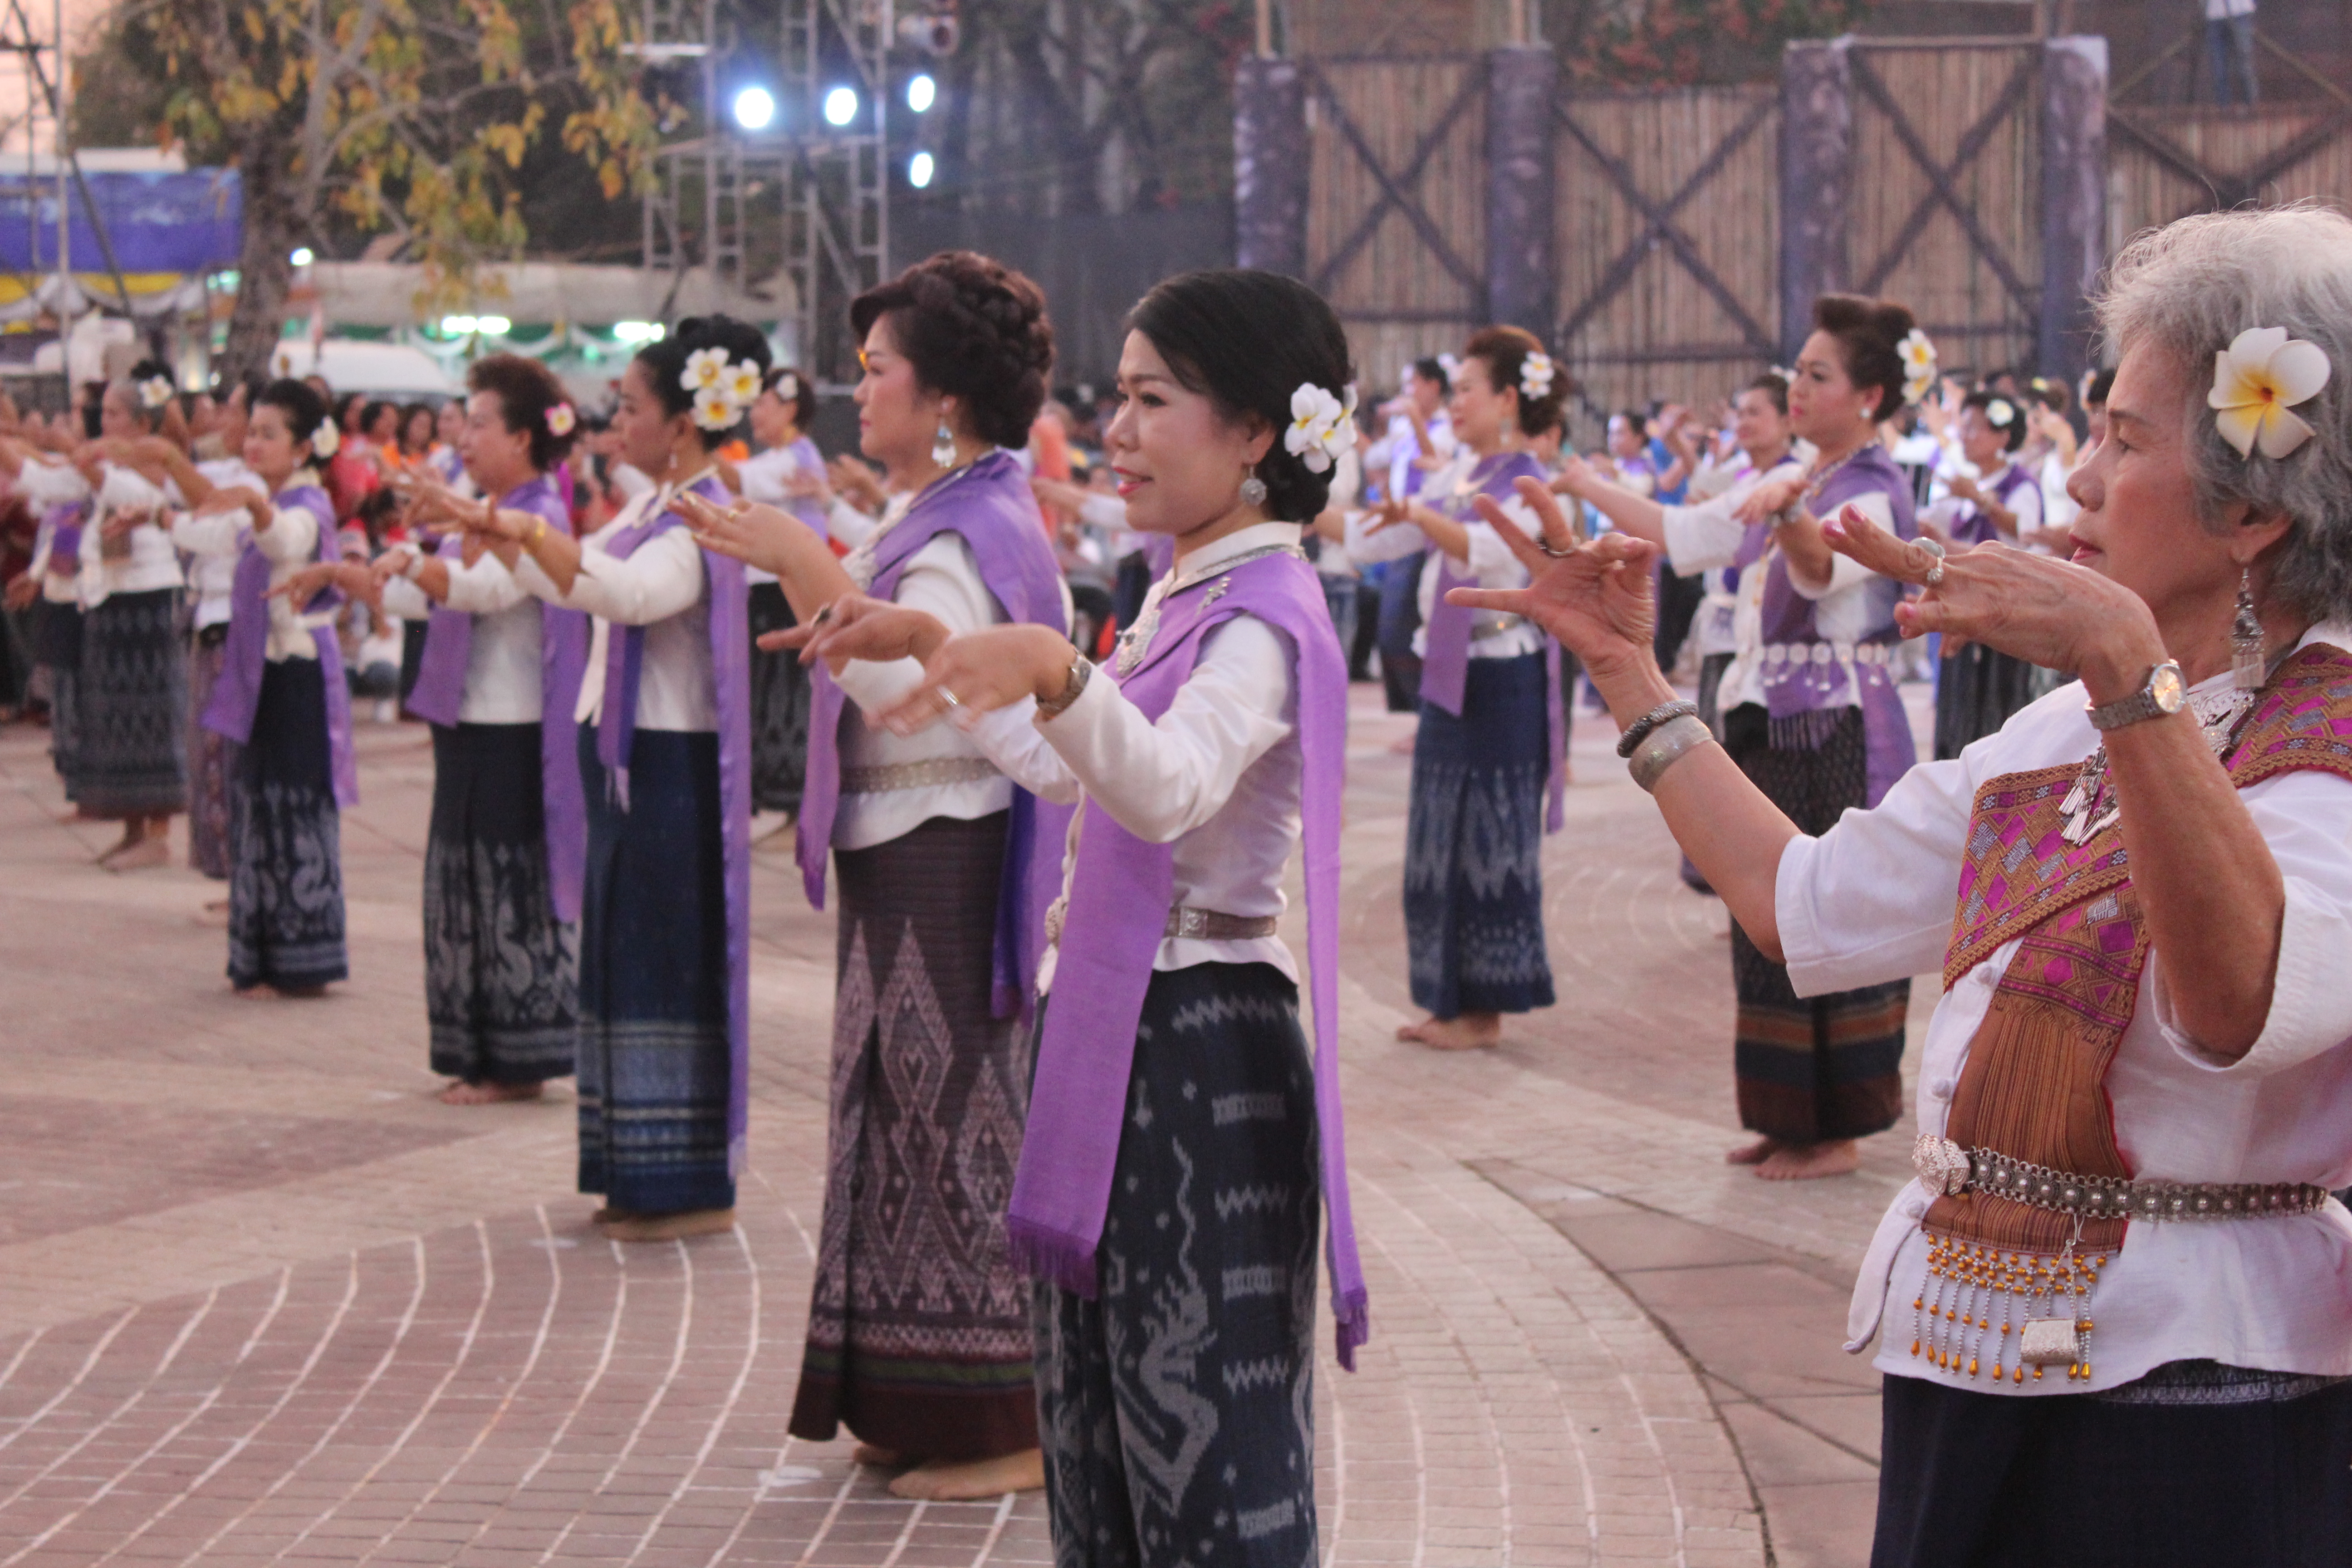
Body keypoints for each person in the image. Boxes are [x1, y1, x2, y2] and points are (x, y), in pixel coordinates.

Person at [1459, 204, 2352, 1568]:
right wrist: (1631, 680)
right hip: (1971, 1357)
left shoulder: (2321, 744)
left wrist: (2122, 670)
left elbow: (2241, 1004)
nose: (2083, 485)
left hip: (2204, 1394)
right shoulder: (2064, 736)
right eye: (2094, 432)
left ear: (2253, 509)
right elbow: (1804, 907)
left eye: (2125, 438)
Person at [779, 265, 1370, 1568]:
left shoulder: (1266, 615)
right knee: (1098, 1407)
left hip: (1203, 1039)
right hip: (1114, 1021)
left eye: (1155, 399)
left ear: (1258, 434)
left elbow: (1164, 792)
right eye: (1119, 396)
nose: (1115, 429)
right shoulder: (1183, 592)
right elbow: (1067, 770)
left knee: (1204, 1417)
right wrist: (951, 657)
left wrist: (1053, 668)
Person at [683, 250, 1066, 1502]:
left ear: (942, 396)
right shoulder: (944, 513)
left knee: (957, 1131)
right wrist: (814, 560)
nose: (859, 391)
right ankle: (916, 1401)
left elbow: (916, 692)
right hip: (908, 857)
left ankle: (1000, 1418)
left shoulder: (976, 521)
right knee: (901, 1123)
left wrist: (802, 558)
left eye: (877, 370)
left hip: (950, 858)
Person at [458, 316, 762, 1241]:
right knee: (624, 963)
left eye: (631, 405)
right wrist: (505, 538)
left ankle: (684, 1187)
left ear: (684, 421)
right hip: (627, 760)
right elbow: (578, 584)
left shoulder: (706, 510)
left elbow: (629, 596)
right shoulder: (645, 507)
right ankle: (633, 1170)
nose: (615, 419)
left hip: (670, 761)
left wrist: (516, 533)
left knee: (664, 964)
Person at [293, 355, 589, 1106]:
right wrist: (364, 571)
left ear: (523, 437)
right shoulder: (481, 513)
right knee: (461, 885)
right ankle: (477, 1049)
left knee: (502, 889)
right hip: (470, 720)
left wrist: (421, 564)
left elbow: (486, 591)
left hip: (512, 726)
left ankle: (514, 1061)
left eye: (479, 422)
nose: (463, 435)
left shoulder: (539, 515)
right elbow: (436, 599)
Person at [1348, 326, 1568, 1051]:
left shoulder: (1532, 482)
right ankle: (1449, 1000)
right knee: (1438, 834)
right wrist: (1283, 502)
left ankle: (1486, 1008)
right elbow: (1377, 540)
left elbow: (1490, 551)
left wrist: (1418, 514)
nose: (1455, 404)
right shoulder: (1459, 477)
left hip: (1504, 678)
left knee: (1492, 837)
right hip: (1455, 675)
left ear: (1508, 398)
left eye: (1468, 388)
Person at [160, 381, 358, 994]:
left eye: (270, 434)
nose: (254, 442)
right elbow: (213, 535)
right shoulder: (266, 501)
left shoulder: (306, 504)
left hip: (297, 676)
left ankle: (304, 960)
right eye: (254, 431)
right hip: (264, 676)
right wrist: (157, 515)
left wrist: (257, 508)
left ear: (303, 447)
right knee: (259, 810)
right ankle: (263, 953)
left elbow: (286, 540)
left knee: (294, 813)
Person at [66, 365, 196, 868]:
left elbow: (139, 499)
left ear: (143, 422)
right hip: (110, 594)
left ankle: (158, 834)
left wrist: (95, 471)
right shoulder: (108, 461)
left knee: (153, 712)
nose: (108, 421)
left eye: (116, 413)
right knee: (117, 713)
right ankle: (131, 825)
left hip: (149, 593)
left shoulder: (159, 463)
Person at [1925, 388, 2050, 759]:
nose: (1965, 437)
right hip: (1962, 617)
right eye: (1963, 429)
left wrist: (1978, 502)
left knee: (1994, 722)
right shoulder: (1965, 488)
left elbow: (2021, 541)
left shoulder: (2020, 486)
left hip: (2002, 622)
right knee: (1958, 720)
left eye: (1975, 429)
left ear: (2002, 437)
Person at [734, 366, 827, 817]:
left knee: (784, 685)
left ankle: (784, 785)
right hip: (772, 585)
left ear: (789, 408)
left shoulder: (796, 459)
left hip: (784, 587)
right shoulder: (785, 458)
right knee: (774, 682)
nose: (754, 414)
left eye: (762, 403)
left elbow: (735, 482)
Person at [178, 382, 261, 881]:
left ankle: (240, 877)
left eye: (232, 411)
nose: (222, 421)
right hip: (213, 621)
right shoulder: (231, 472)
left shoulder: (268, 488)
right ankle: (232, 877)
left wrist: (169, 515)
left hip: (235, 628)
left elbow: (217, 524)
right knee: (210, 756)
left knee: (227, 758)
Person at [1370, 358, 1453, 712]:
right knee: (1391, 629)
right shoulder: (1404, 429)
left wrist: (1415, 420)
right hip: (1400, 528)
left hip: (1428, 531)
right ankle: (1412, 710)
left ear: (1433, 386)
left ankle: (1425, 711)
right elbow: (1377, 460)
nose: (1407, 393)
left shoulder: (1448, 428)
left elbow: (1434, 464)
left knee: (1411, 626)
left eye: (1412, 384)